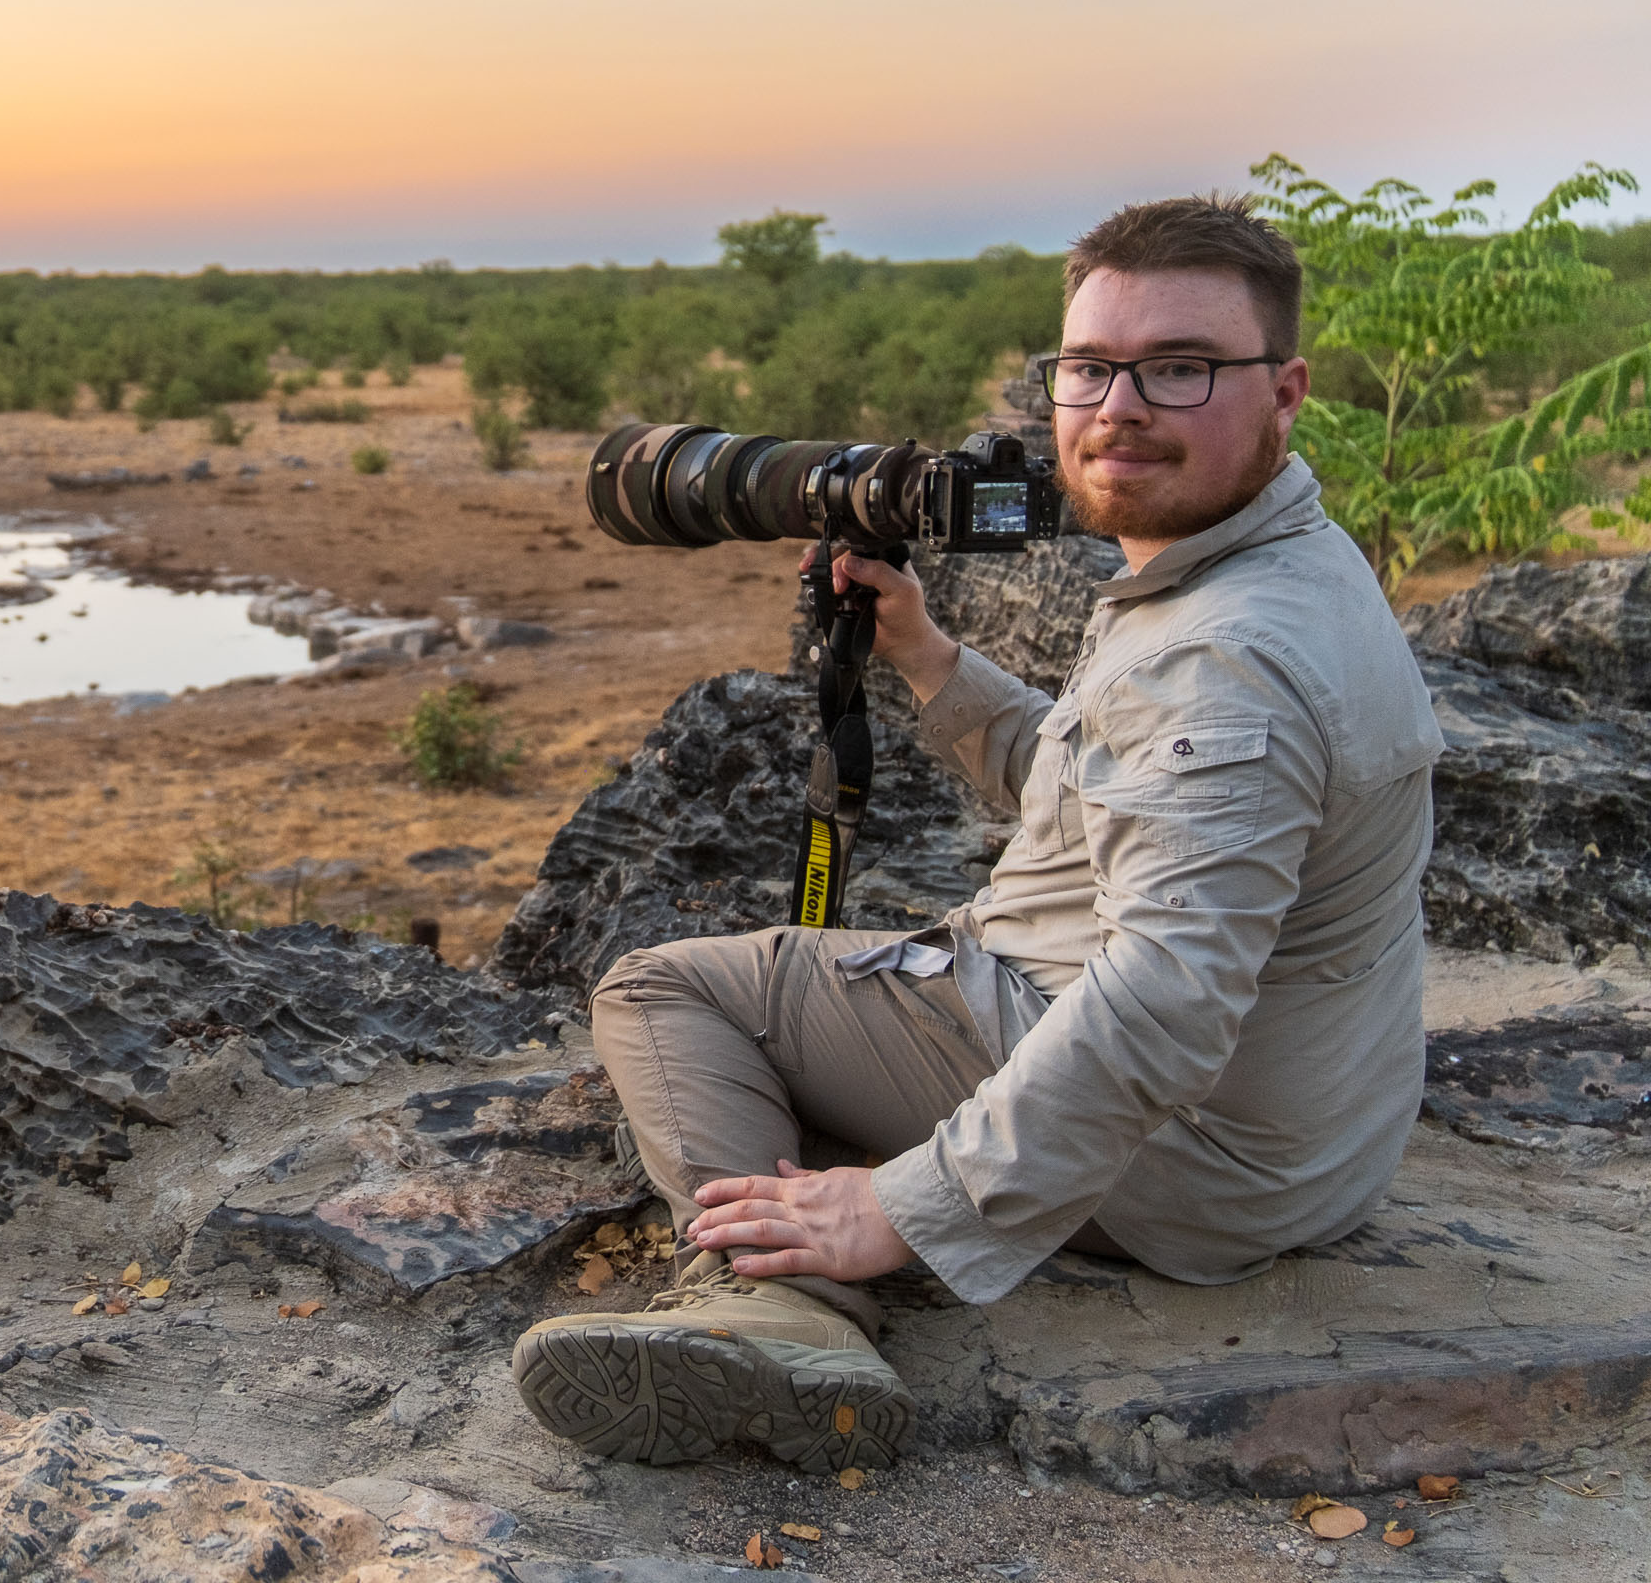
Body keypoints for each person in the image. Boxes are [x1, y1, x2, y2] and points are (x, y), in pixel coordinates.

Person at [510, 195, 1442, 1473]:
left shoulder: (1219, 660)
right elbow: (1111, 797)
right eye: (1090, 366)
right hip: (1308, 1147)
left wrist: (899, 1208)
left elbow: (1166, 1001)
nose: (1119, 408)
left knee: (666, 988)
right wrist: (927, 655)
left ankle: (782, 1310)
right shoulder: (1283, 566)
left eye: (1180, 368)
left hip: (1189, 1162)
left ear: (1284, 392)